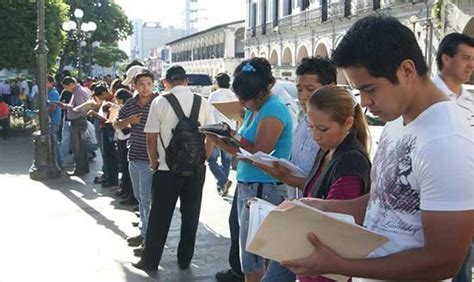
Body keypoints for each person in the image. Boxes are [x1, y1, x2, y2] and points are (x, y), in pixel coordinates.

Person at [281, 15, 474, 281]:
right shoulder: (397, 122)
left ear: (406, 70)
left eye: (369, 88)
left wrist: (339, 265)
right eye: (357, 90)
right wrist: (320, 207)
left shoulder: (447, 140)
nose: (364, 102)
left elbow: (443, 261)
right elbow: (384, 202)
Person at [210, 58, 294, 282]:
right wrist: (223, 138)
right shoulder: (255, 109)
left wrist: (226, 142)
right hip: (251, 184)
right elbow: (246, 144)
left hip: (263, 187)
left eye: (245, 98)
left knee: (255, 256)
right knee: (251, 251)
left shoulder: (273, 109)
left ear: (260, 93)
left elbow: (258, 153)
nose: (242, 103)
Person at [260, 57, 338, 282]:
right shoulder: (304, 121)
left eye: (310, 89)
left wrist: (291, 179)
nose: (303, 95)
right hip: (295, 215)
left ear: (330, 88)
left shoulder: (334, 133)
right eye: (299, 88)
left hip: (313, 224)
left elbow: (327, 187)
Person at [132, 65, 215, 271]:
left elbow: (150, 137)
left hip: (166, 170)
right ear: (186, 81)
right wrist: (203, 158)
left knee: (159, 216)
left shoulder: (160, 102)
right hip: (195, 170)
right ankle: (185, 259)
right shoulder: (202, 101)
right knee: (191, 215)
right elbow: (211, 135)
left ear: (166, 82)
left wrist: (154, 163)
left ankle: (150, 261)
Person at [434, 32, 474, 282]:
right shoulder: (427, 98)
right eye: (466, 58)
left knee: (464, 267)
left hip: (467, 197)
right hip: (438, 202)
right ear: (446, 59)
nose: (471, 64)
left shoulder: (469, 101)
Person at [114, 69, 158, 255]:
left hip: (152, 158)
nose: (145, 88)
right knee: (140, 197)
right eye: (141, 84)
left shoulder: (159, 102)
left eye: (148, 84)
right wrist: (127, 121)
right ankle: (144, 232)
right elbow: (116, 123)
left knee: (147, 199)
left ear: (153, 84)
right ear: (135, 85)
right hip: (134, 155)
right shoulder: (131, 103)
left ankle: (149, 240)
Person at [207, 72, 237, 196]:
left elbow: (209, 113)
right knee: (226, 161)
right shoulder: (234, 96)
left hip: (216, 130)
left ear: (217, 82)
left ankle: (223, 181)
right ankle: (222, 185)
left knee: (211, 160)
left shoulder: (213, 95)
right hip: (230, 131)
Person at [58, 77, 90, 176]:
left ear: (72, 84)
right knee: (80, 146)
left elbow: (79, 107)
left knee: (78, 147)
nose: (67, 90)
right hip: (78, 121)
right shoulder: (78, 91)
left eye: (67, 87)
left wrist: (66, 106)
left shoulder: (78, 92)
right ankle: (83, 168)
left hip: (78, 121)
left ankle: (79, 169)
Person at [46, 75, 62, 166]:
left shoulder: (53, 93)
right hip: (53, 119)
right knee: (53, 140)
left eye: (46, 82)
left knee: (53, 140)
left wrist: (46, 112)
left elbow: (53, 106)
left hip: (54, 120)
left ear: (51, 82)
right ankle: (57, 160)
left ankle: (58, 160)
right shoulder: (51, 92)